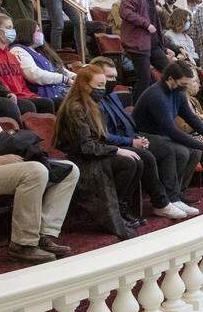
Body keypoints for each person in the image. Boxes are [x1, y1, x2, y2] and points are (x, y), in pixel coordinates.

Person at [0, 53, 77, 263]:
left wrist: (14, 153)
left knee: (68, 170)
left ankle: (45, 233)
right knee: (35, 171)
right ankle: (23, 243)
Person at [89, 57, 189, 220]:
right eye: (108, 77)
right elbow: (103, 135)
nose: (113, 81)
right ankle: (160, 203)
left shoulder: (112, 96)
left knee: (165, 148)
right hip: (113, 144)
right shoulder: (94, 102)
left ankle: (174, 197)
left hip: (129, 138)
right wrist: (131, 142)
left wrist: (138, 138)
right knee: (146, 157)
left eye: (115, 77)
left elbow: (126, 123)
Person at [55, 65, 144, 239]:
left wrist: (119, 149)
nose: (102, 90)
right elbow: (86, 147)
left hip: (96, 153)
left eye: (104, 85)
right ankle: (115, 212)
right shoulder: (75, 108)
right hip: (83, 159)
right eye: (99, 85)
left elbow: (101, 139)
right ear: (84, 85)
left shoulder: (93, 105)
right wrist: (117, 150)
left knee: (137, 160)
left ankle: (121, 208)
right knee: (128, 162)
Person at [132, 61, 203, 212]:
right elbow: (172, 131)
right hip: (143, 135)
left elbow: (190, 117)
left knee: (194, 152)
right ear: (170, 79)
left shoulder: (178, 92)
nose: (185, 87)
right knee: (178, 151)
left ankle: (179, 193)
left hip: (162, 135)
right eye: (183, 83)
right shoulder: (156, 95)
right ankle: (170, 197)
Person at [0, 13, 56, 113]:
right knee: (44, 104)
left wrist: (31, 95)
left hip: (23, 95)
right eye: (8, 27)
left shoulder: (11, 55)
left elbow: (21, 83)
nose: (12, 31)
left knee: (55, 102)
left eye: (12, 28)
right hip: (9, 98)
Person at [120, 0, 175, 103]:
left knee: (171, 73)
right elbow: (125, 11)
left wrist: (164, 47)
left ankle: (162, 101)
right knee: (144, 79)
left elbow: (157, 25)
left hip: (154, 45)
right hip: (138, 45)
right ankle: (137, 110)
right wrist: (146, 24)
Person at [9, 19, 75, 105]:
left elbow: (60, 69)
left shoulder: (40, 50)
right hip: (45, 94)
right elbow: (33, 74)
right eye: (37, 31)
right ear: (26, 32)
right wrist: (63, 79)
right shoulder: (17, 50)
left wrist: (75, 77)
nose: (41, 34)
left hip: (60, 90)